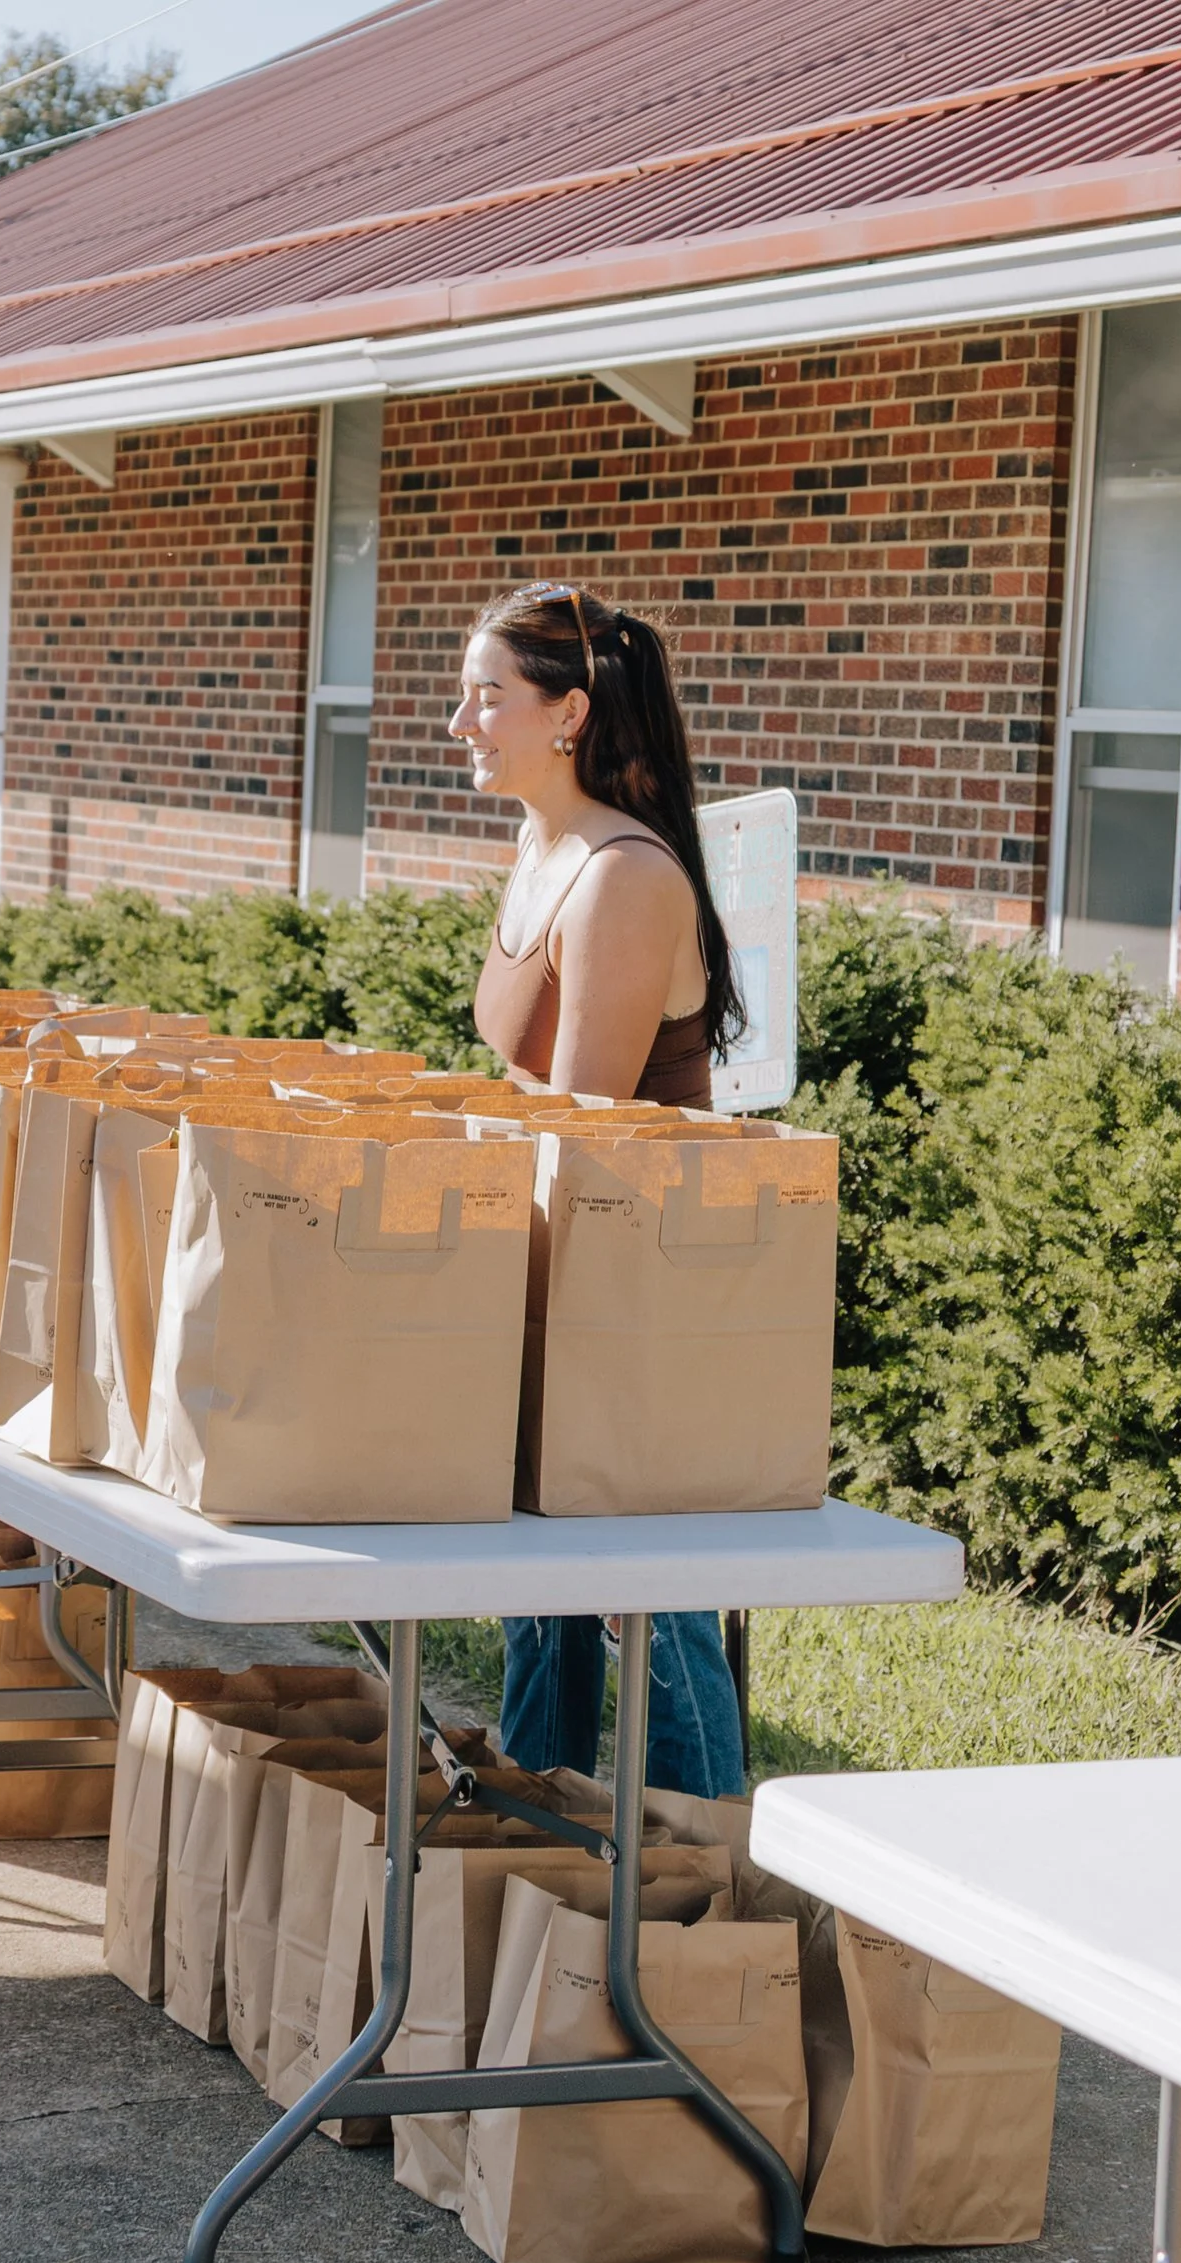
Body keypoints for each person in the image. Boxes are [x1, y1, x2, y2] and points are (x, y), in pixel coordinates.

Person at [452, 581, 748, 1797]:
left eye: (487, 696)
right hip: (554, 1275)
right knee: (542, 1597)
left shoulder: (623, 876)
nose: (461, 720)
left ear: (568, 712)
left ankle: (700, 1888)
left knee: (656, 1615)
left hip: (637, 1301)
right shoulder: (541, 848)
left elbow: (586, 1134)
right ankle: (544, 1857)